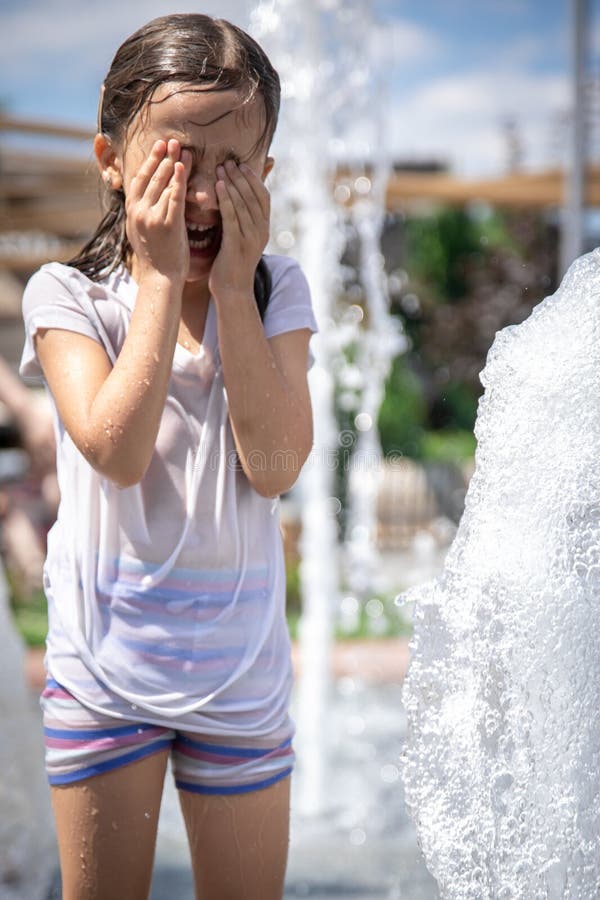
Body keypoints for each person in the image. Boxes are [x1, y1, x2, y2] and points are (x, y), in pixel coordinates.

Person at [19, 13, 319, 900]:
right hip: (105, 676)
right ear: (113, 159)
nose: (201, 195)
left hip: (241, 678)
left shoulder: (274, 292)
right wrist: (155, 282)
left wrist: (232, 288)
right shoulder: (70, 295)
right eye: (178, 159)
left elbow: (274, 466)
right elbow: (114, 450)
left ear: (265, 172)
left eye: (231, 166)